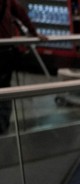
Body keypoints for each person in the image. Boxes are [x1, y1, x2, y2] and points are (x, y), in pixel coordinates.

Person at [1, 0, 45, 135]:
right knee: (4, 92)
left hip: (4, 52)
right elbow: (19, 11)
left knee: (4, 92)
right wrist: (34, 32)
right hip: (5, 51)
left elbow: (19, 11)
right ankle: (2, 131)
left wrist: (33, 32)